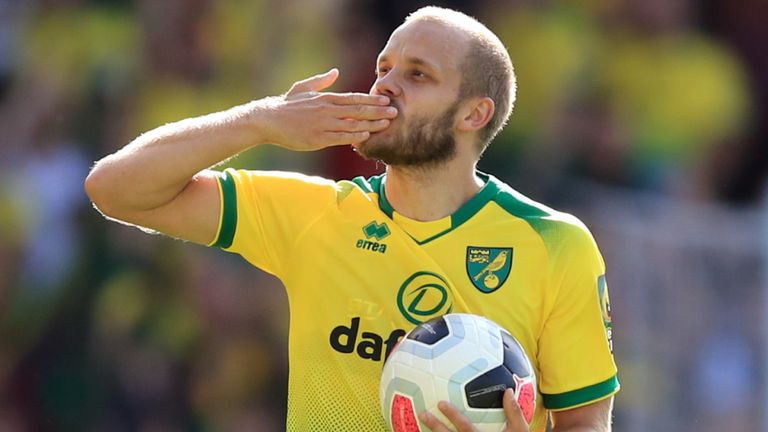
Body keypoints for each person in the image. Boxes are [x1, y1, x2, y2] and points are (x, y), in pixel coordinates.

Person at [85, 6, 619, 431]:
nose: (384, 85)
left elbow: (586, 419)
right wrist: (259, 120)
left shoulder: (555, 244)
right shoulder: (316, 214)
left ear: (472, 113)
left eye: (417, 75)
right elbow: (115, 188)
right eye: (383, 68)